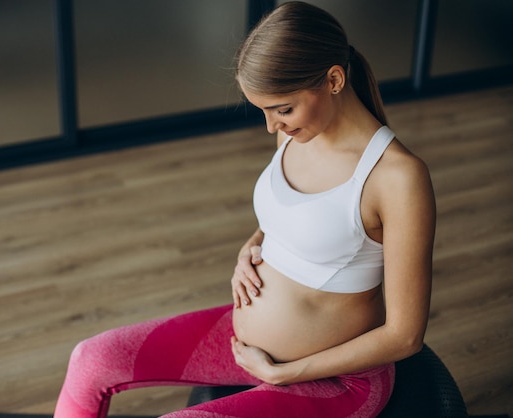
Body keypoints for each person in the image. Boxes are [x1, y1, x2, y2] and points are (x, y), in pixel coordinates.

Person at [53, 2, 436, 417]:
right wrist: (251, 247)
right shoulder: (295, 135)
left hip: (336, 382)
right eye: (264, 111)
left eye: (283, 109)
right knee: (91, 359)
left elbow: (405, 335)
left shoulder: (398, 178)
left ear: (334, 79)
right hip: (246, 346)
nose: (273, 127)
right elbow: (295, 219)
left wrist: (286, 373)